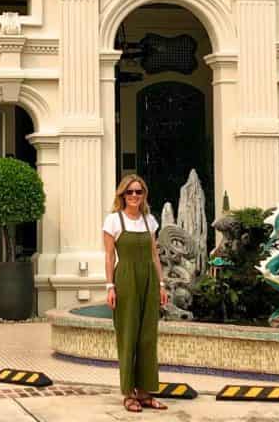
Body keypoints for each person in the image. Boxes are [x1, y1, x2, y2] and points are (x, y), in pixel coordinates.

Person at [103, 174, 168, 413]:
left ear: (144, 195)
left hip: (150, 279)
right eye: (129, 192)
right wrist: (110, 287)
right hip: (126, 279)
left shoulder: (149, 220)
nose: (134, 196)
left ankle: (145, 392)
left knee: (148, 336)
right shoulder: (113, 221)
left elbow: (154, 255)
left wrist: (161, 284)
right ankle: (128, 394)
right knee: (128, 335)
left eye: (138, 192)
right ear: (122, 195)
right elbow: (109, 256)